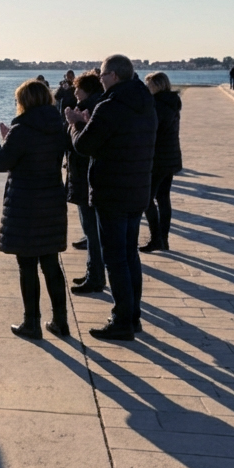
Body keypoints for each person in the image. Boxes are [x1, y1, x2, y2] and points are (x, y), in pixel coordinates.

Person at [64, 54, 157, 342]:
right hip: (137, 189)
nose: (100, 79)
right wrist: (92, 122)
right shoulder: (145, 103)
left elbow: (84, 146)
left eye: (102, 75)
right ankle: (133, 316)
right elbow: (119, 139)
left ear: (114, 76)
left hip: (112, 192)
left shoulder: (110, 106)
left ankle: (121, 321)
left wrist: (75, 123)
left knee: (115, 259)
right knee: (130, 256)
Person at [0, 80, 70, 339]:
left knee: (27, 265)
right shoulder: (57, 126)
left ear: (24, 101)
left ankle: (32, 322)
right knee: (51, 264)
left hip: (25, 205)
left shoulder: (22, 128)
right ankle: (60, 321)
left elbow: (0, 163)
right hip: (52, 201)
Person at [66, 73, 105, 294]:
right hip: (86, 177)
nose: (74, 93)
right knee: (92, 231)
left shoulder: (88, 108)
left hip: (85, 177)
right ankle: (94, 273)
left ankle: (95, 276)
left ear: (86, 90)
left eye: (77, 89)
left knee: (91, 231)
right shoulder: (95, 105)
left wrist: (73, 123)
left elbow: (81, 144)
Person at [140, 72, 182, 253]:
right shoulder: (172, 102)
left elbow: (150, 131)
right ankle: (163, 239)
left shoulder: (157, 105)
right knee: (163, 198)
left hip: (158, 158)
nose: (146, 88)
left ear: (156, 85)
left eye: (148, 85)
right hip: (170, 157)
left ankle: (156, 237)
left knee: (147, 199)